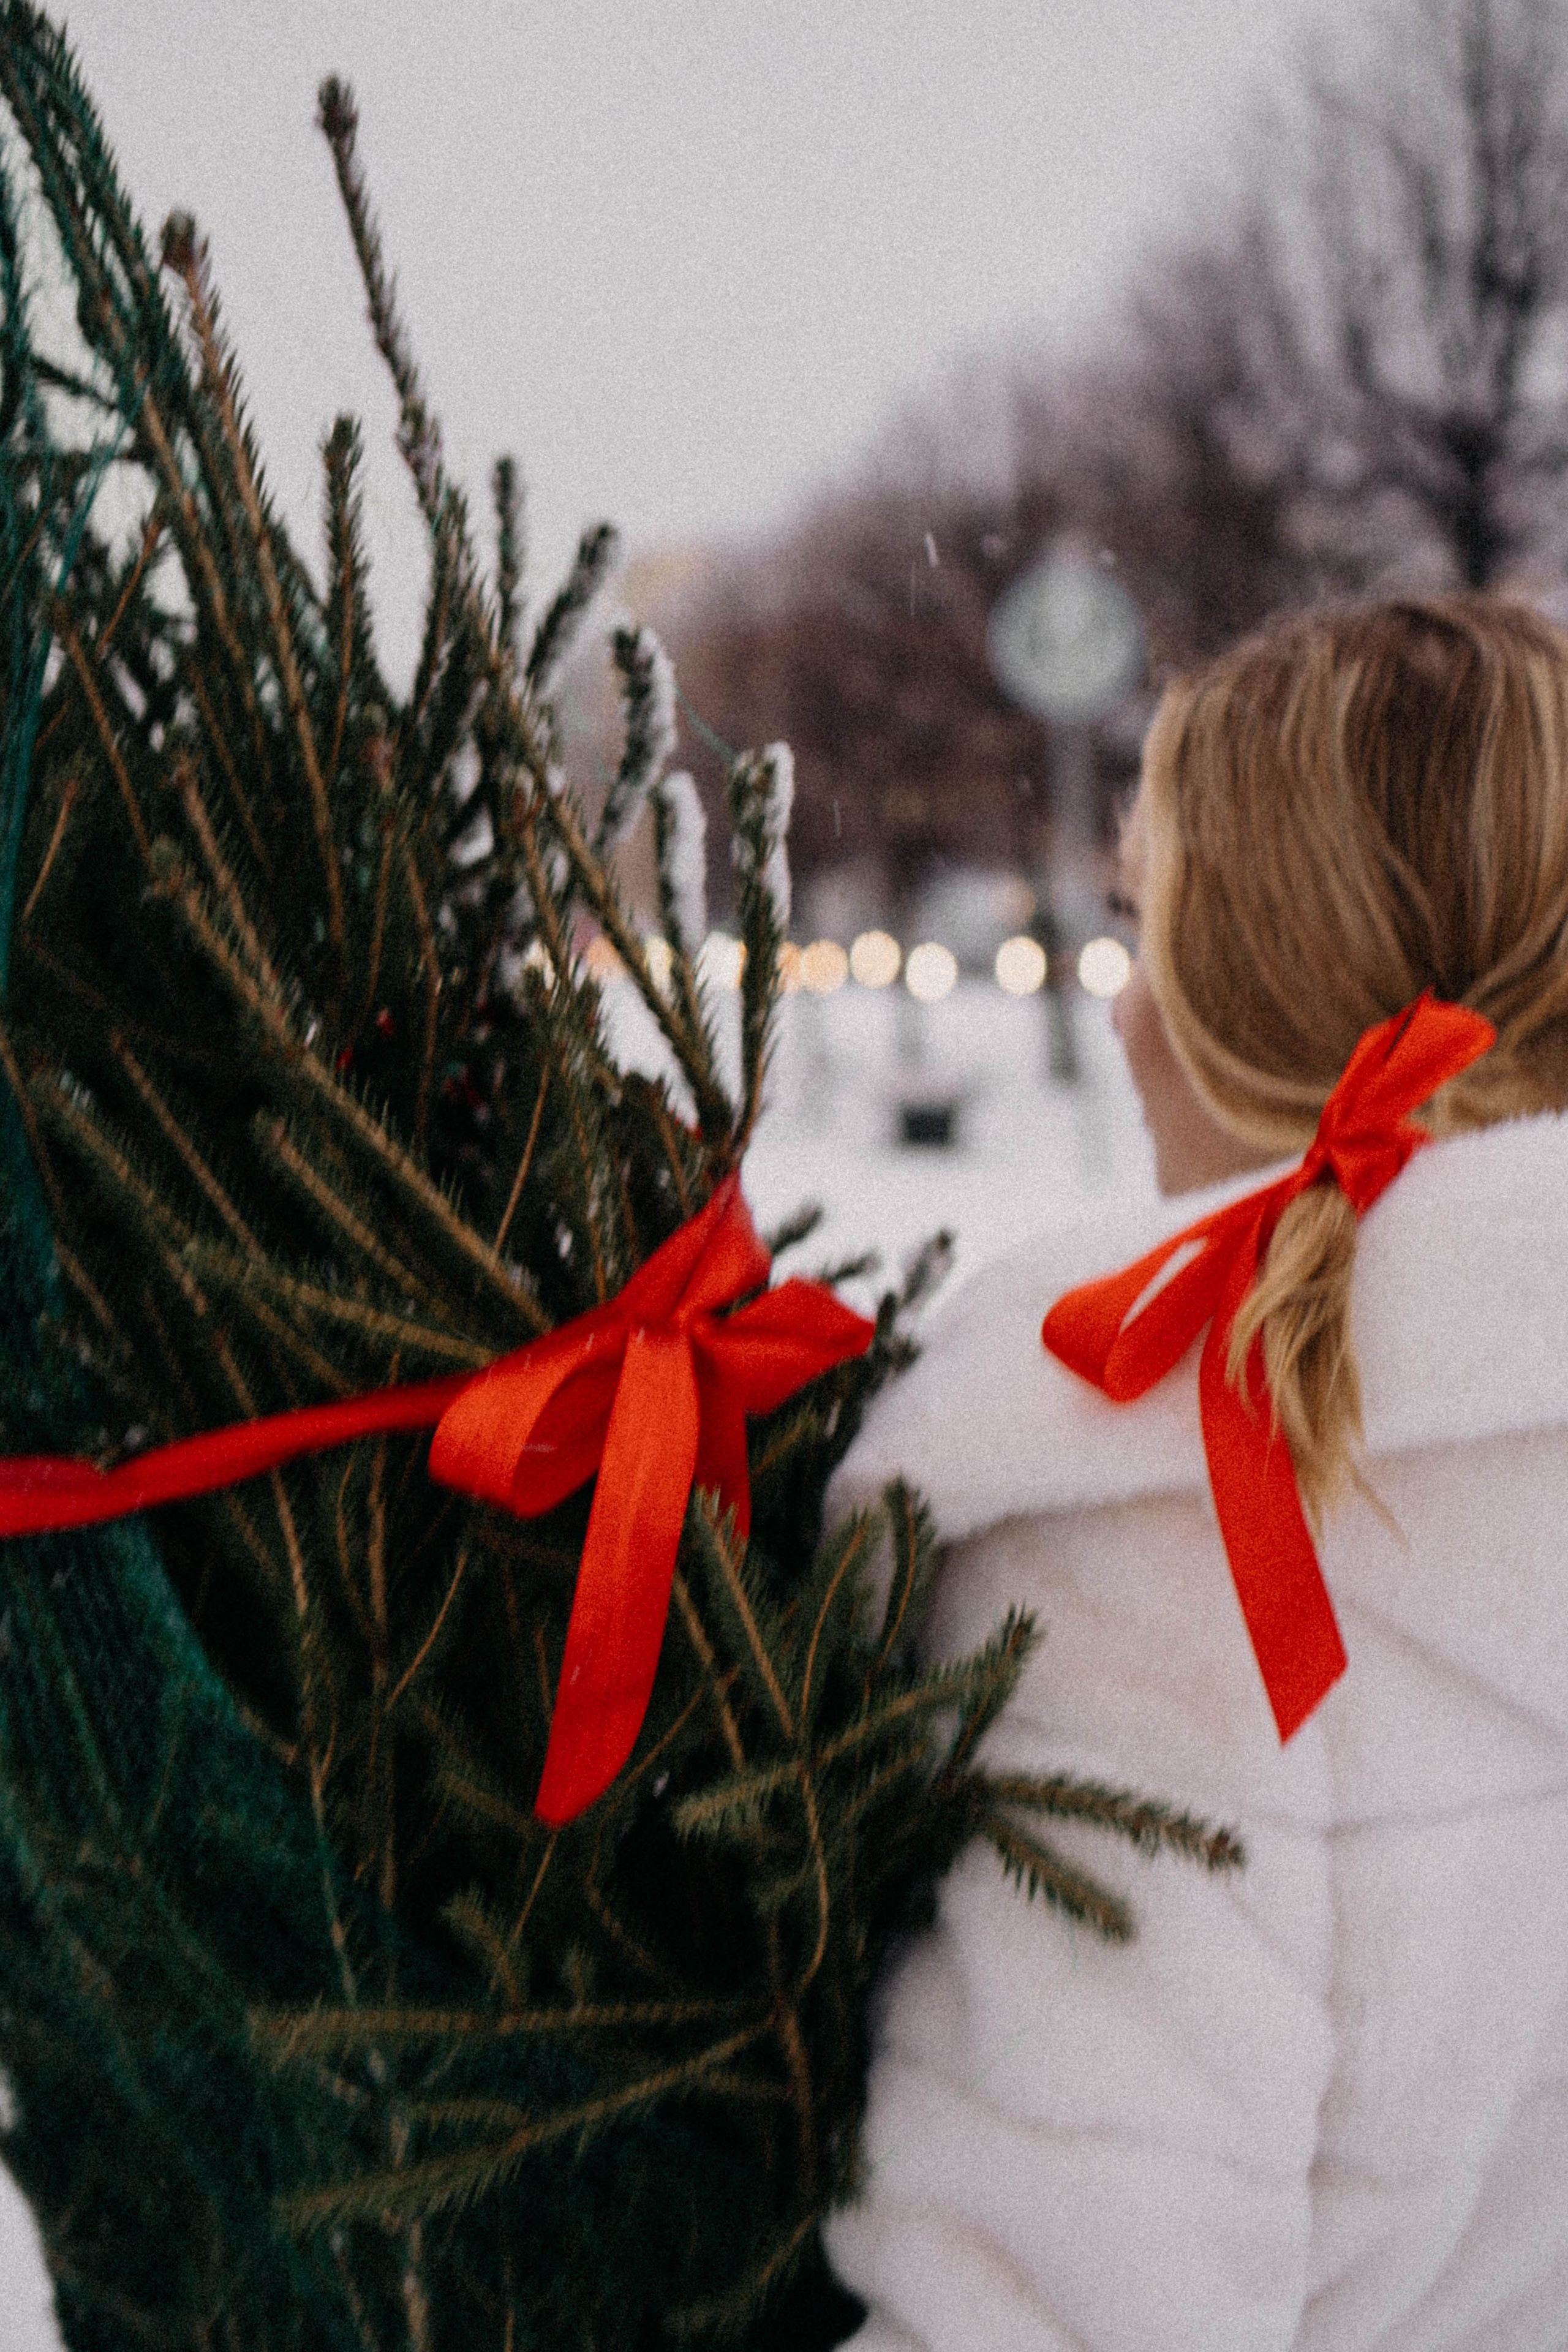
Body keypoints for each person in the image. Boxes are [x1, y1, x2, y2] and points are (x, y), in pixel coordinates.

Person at [823, 594, 1568, 2351]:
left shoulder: (1175, 1548)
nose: (1129, 1009)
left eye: (1149, 926)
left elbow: (1055, 2314)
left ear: (1263, 979)